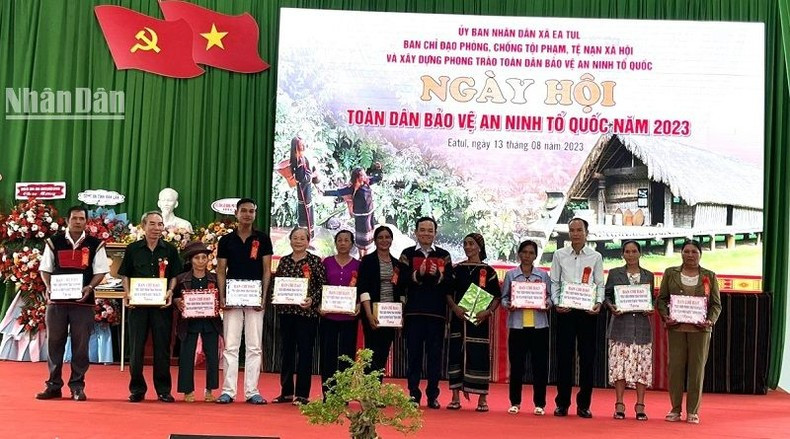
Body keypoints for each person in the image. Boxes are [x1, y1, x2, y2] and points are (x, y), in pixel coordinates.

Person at [36, 206, 110, 401]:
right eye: (74, 218)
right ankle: (53, 386)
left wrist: (90, 287)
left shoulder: (96, 244)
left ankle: (77, 385)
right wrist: (49, 286)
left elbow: (101, 271)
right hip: (57, 302)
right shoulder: (54, 242)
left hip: (83, 303)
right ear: (67, 220)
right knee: (54, 343)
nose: (78, 222)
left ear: (87, 222)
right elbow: (45, 268)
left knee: (80, 345)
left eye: (82, 219)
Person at [119, 211, 183, 403]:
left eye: (160, 224)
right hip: (137, 306)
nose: (156, 228)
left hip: (161, 307)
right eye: (152, 224)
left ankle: (163, 390)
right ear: (143, 226)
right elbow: (125, 275)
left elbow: (174, 276)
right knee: (136, 348)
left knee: (162, 349)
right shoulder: (133, 249)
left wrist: (171, 291)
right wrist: (128, 293)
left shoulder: (170, 250)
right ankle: (137, 389)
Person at [657, 239, 721, 424]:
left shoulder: (710, 275)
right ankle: (675, 410)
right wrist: (665, 316)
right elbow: (661, 299)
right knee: (675, 369)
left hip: (700, 331)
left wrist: (710, 320)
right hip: (676, 328)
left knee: (697, 370)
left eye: (694, 251)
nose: (690, 255)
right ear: (681, 253)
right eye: (687, 251)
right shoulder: (671, 273)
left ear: (700, 254)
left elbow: (716, 304)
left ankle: (693, 411)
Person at [215, 198, 273, 404]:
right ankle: (228, 391)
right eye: (244, 211)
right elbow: (221, 270)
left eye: (252, 211)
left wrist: (263, 297)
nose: (248, 214)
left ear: (255, 214)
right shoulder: (226, 241)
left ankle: (252, 391)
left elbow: (267, 270)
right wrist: (222, 296)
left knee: (254, 346)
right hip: (232, 297)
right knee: (231, 345)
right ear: (236, 213)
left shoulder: (263, 239)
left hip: (255, 297)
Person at [550, 217, 604, 418]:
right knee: (564, 357)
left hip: (587, 312)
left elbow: (599, 283)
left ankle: (584, 404)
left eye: (579, 230)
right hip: (566, 312)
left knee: (587, 358)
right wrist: (557, 303)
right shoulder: (559, 254)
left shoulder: (595, 256)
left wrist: (598, 303)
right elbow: (554, 281)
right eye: (572, 230)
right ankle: (562, 403)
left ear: (586, 232)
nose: (575, 234)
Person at [399, 216, 452, 409]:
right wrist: (418, 275)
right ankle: (413, 394)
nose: (426, 234)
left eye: (430, 230)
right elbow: (400, 280)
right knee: (413, 356)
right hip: (413, 314)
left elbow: (449, 283)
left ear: (435, 233)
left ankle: (432, 395)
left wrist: (437, 275)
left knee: (434, 357)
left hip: (437, 314)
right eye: (422, 230)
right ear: (416, 232)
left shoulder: (444, 255)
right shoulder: (407, 254)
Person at [271, 227, 326, 405]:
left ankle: (302, 394)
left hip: (306, 315)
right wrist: (276, 295)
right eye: (295, 238)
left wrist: (313, 299)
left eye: (302, 238)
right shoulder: (284, 261)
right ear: (290, 240)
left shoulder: (315, 261)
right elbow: (276, 283)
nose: (298, 241)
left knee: (304, 353)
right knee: (286, 353)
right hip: (286, 313)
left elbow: (322, 285)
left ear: (308, 241)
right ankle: (286, 392)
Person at [446, 233, 500, 412]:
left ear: (479, 246)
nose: (467, 247)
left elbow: (496, 297)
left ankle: (482, 399)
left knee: (479, 355)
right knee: (456, 354)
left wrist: (488, 312)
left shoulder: (489, 271)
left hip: (479, 321)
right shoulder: (456, 269)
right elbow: (448, 292)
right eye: (465, 244)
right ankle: (455, 397)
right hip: (458, 320)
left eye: (471, 244)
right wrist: (455, 308)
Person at [604, 240, 655, 420]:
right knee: (620, 366)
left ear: (640, 253)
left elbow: (651, 299)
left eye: (634, 251)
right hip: (620, 326)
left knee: (642, 367)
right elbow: (607, 296)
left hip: (641, 327)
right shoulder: (614, 273)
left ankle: (640, 404)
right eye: (627, 251)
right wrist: (612, 307)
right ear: (622, 254)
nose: (631, 255)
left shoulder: (649, 275)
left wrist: (651, 308)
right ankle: (619, 403)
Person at [501, 240, 551, 415]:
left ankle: (540, 404)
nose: (527, 256)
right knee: (517, 366)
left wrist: (546, 303)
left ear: (536, 256)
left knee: (540, 366)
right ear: (519, 254)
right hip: (517, 326)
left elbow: (550, 298)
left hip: (539, 326)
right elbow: (504, 298)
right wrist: (509, 305)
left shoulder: (543, 275)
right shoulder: (510, 275)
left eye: (531, 253)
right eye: (524, 252)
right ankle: (515, 402)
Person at [172, 241, 223, 403]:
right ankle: (187, 390)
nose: (201, 261)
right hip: (188, 324)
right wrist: (177, 301)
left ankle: (210, 390)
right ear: (190, 260)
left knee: (212, 357)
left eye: (204, 258)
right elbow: (172, 296)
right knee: (186, 356)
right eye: (197, 258)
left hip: (210, 323)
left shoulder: (215, 279)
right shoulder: (181, 279)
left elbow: (222, 297)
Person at [358, 226, 406, 380]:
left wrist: (400, 314)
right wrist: (369, 314)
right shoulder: (367, 261)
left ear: (391, 240)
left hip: (391, 316)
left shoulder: (397, 264)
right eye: (380, 237)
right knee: (371, 352)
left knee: (383, 353)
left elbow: (402, 291)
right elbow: (363, 289)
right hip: (373, 314)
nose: (384, 240)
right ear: (375, 240)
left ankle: (375, 389)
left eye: (387, 237)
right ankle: (367, 391)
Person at [319, 230, 361, 398]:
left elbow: (362, 288)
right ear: (335, 243)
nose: (343, 243)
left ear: (352, 244)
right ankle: (328, 394)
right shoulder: (326, 263)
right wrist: (319, 305)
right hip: (328, 316)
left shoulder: (358, 265)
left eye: (347, 240)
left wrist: (358, 304)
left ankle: (343, 393)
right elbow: (319, 286)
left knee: (346, 355)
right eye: (340, 240)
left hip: (349, 317)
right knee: (328, 354)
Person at [323, 165, 382, 256]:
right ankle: (361, 256)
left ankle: (365, 257)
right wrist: (324, 192)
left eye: (364, 174)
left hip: (369, 213)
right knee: (362, 236)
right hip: (360, 216)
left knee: (369, 234)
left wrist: (378, 169)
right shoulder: (352, 188)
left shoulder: (367, 182)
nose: (365, 176)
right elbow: (338, 192)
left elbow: (378, 178)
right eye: (362, 175)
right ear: (358, 177)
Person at [290, 136, 318, 238]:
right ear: (296, 146)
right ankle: (305, 237)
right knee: (306, 214)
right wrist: (313, 175)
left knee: (307, 213)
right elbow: (301, 178)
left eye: (303, 144)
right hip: (304, 192)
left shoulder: (301, 157)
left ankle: (307, 237)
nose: (303, 146)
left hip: (307, 191)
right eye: (301, 145)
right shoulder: (298, 160)